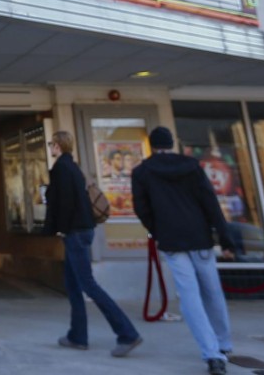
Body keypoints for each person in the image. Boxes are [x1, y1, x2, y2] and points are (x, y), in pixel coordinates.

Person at [132, 126, 235, 375]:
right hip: (199, 236)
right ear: (172, 143)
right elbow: (210, 202)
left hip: (171, 239)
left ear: (152, 145)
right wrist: (225, 238)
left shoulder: (142, 172)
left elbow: (142, 208)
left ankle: (211, 353)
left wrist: (158, 229)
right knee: (212, 290)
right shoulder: (192, 166)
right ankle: (223, 342)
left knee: (189, 296)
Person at [43, 130, 142, 357]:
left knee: (87, 285)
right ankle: (77, 336)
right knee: (73, 284)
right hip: (84, 230)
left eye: (51, 144)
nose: (51, 148)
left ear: (57, 146)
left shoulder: (61, 168)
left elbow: (64, 203)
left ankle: (127, 333)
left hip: (74, 233)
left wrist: (58, 228)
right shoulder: (74, 167)